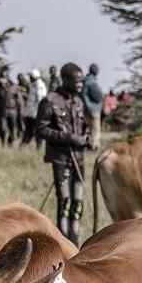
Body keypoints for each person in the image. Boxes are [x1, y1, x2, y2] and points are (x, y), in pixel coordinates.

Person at [37, 62, 94, 240]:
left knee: (78, 203)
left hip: (79, 158)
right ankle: (63, 242)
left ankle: (75, 241)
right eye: (77, 81)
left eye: (81, 81)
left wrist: (88, 137)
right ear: (66, 79)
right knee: (65, 202)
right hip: (61, 159)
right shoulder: (50, 100)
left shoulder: (78, 101)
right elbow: (40, 129)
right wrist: (69, 138)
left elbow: (83, 126)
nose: (80, 84)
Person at [0, 69, 20, 145]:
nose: (2, 78)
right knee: (2, 129)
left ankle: (11, 143)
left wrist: (21, 111)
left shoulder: (14, 87)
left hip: (13, 112)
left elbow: (19, 100)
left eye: (4, 76)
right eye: (1, 76)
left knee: (13, 129)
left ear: (7, 77)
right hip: (2, 112)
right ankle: (3, 142)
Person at [18, 74, 41, 146]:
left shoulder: (38, 86)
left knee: (33, 130)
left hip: (35, 112)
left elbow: (39, 100)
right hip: (29, 112)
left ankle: (37, 145)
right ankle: (23, 145)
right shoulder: (32, 85)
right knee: (28, 130)